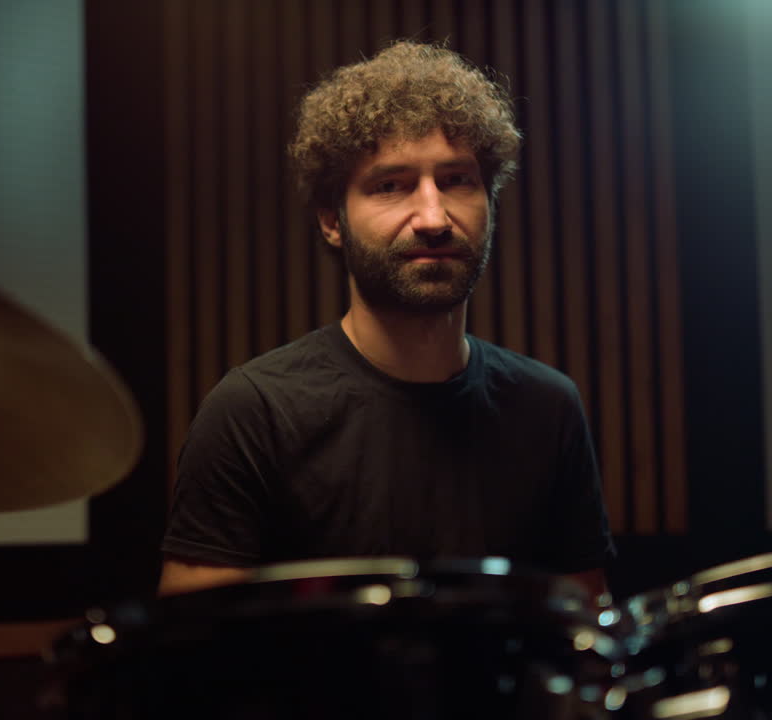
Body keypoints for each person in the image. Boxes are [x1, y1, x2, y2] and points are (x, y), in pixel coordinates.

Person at [159, 40, 614, 597]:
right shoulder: (253, 413)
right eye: (390, 186)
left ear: (490, 203)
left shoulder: (549, 408)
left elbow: (584, 641)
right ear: (332, 220)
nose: (432, 216)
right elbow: (189, 660)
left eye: (456, 180)